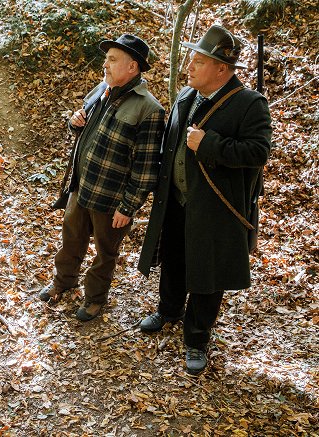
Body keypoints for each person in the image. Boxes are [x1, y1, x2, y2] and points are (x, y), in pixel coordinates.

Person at [137, 25, 272, 375]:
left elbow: (258, 152)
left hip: (215, 209)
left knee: (207, 272)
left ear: (222, 69)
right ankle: (168, 310)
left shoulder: (249, 104)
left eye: (199, 61)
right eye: (193, 60)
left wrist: (209, 144)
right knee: (174, 256)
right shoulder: (187, 94)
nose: (191, 67)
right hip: (178, 200)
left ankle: (197, 338)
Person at [40, 34, 165, 321]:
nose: (104, 64)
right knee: (71, 239)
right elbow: (84, 129)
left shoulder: (149, 109)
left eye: (112, 59)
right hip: (81, 186)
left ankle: (95, 298)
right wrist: (75, 122)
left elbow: (146, 167)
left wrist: (128, 206)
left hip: (111, 198)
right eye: (106, 58)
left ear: (132, 67)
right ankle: (64, 282)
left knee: (105, 252)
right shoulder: (102, 89)